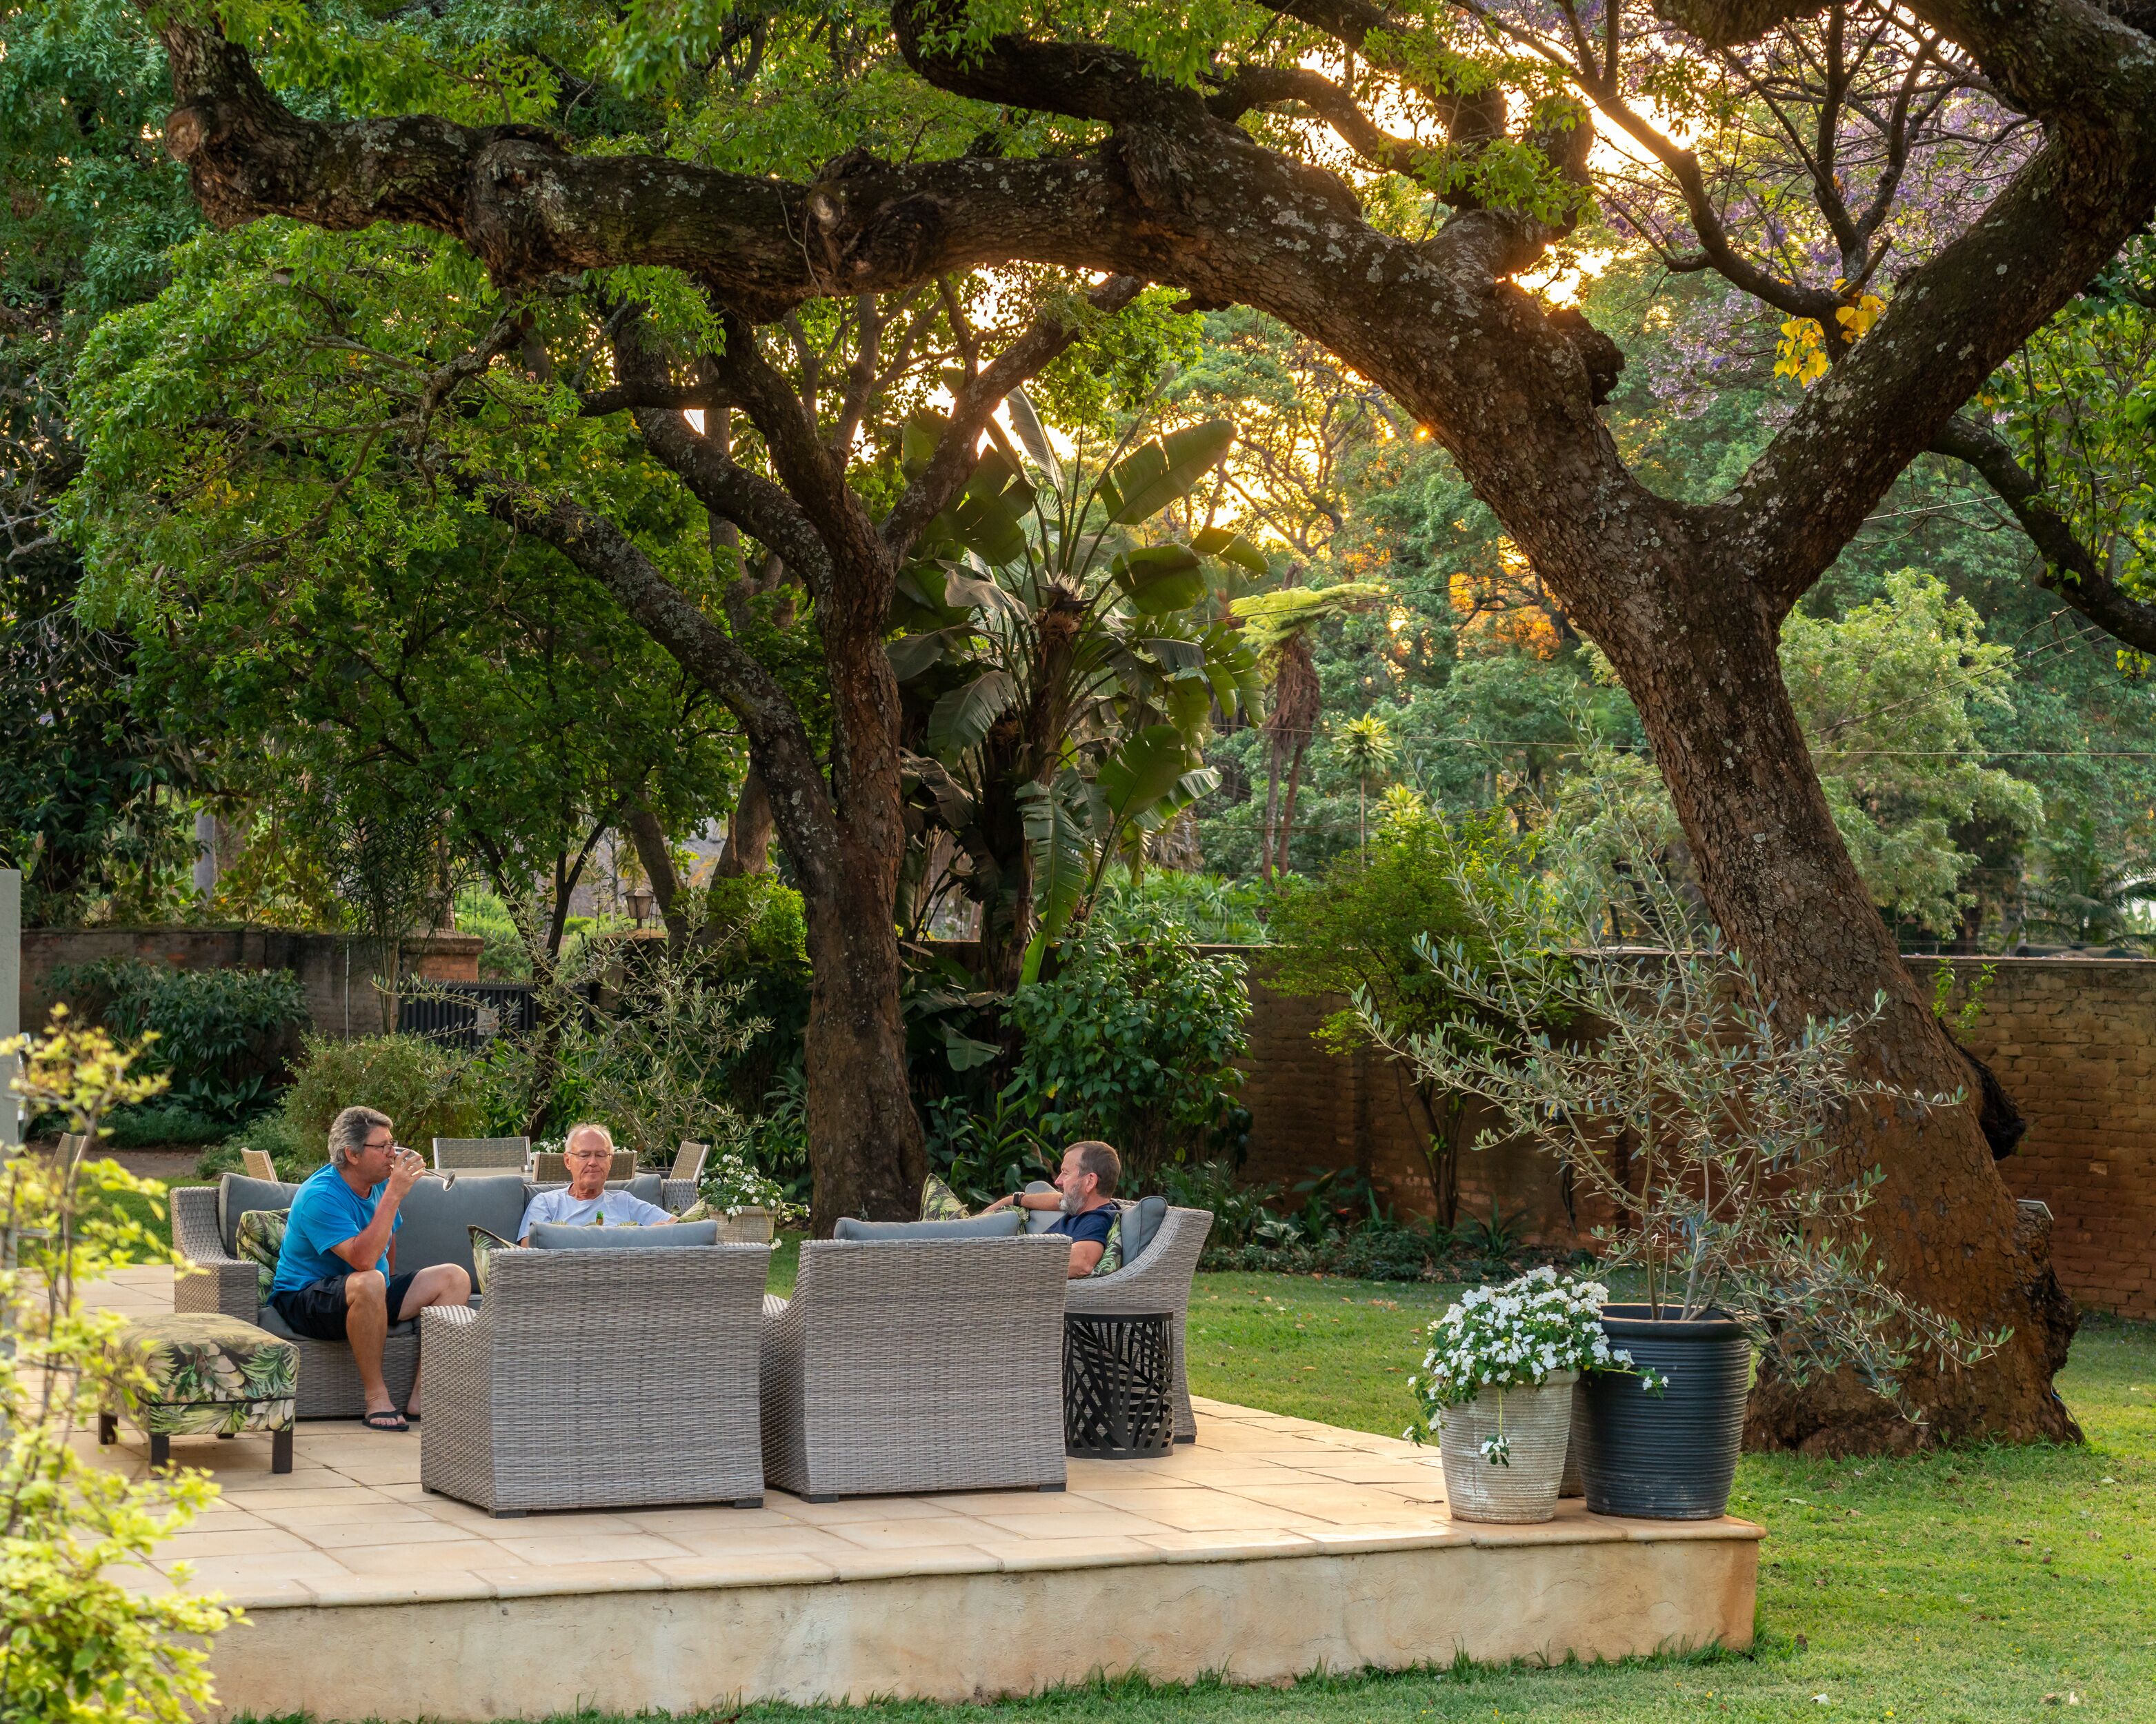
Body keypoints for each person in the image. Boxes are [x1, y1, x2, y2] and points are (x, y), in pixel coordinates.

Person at [268, 1105, 472, 1432]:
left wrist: (385, 1293)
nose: (394, 1153)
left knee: (454, 1278)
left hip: (365, 1288)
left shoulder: (376, 1183)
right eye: (384, 1147)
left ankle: (425, 1396)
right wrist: (394, 1194)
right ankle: (376, 1399)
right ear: (352, 1154)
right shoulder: (319, 1195)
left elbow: (387, 1241)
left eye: (393, 1143)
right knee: (370, 1281)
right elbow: (362, 1261)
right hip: (304, 1299)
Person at [984, 1141, 1122, 1278]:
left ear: (1090, 1181)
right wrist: (1013, 1200)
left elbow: (1082, 1263)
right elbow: (1058, 1200)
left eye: (1066, 1173)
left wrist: (1003, 1262)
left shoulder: (1095, 1220)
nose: (1058, 1181)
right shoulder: (1082, 1207)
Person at [515, 1123, 672, 1241]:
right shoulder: (546, 1203)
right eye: (584, 1155)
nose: (592, 1162)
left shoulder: (625, 1202)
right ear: (568, 1160)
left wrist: (655, 1233)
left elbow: (679, 1225)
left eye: (601, 1155)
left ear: (610, 1161)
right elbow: (529, 1250)